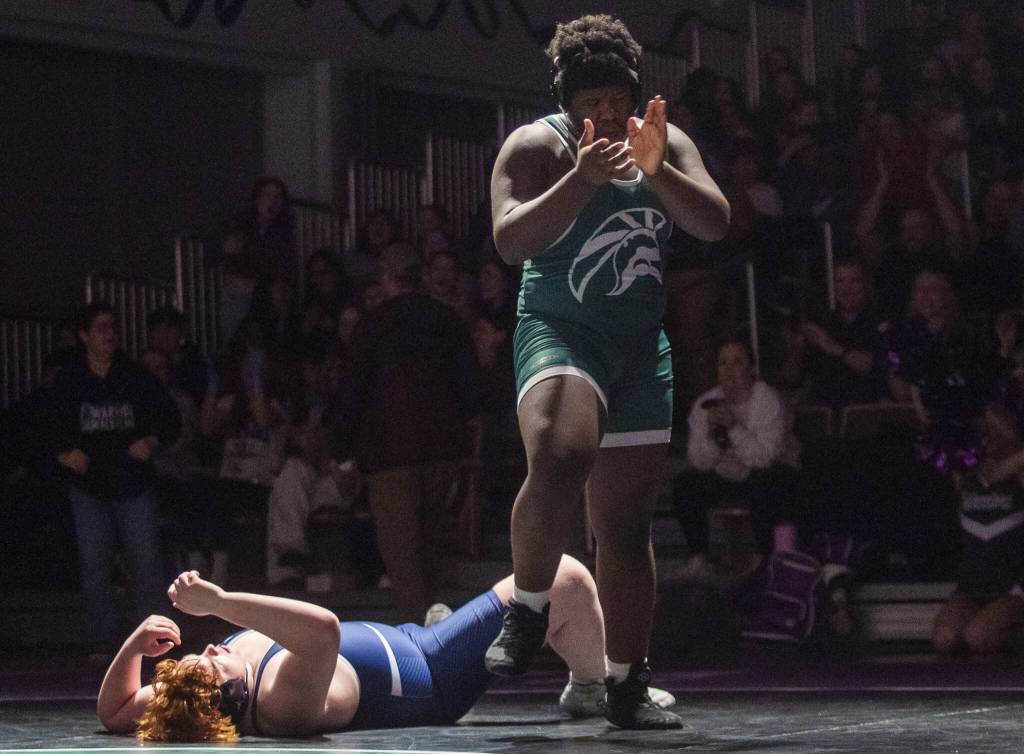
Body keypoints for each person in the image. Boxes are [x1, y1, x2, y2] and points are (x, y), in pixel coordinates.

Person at [486, 13, 729, 729]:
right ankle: (530, 608)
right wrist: (584, 181)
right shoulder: (536, 145)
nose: (603, 113)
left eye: (612, 99)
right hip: (562, 330)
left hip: (635, 347)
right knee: (562, 452)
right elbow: (508, 241)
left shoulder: (664, 139)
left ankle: (625, 683)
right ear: (566, 102)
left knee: (623, 528)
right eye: (588, 102)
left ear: (631, 90)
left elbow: (714, 222)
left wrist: (657, 173)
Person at [96, 556, 675, 740]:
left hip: (404, 640)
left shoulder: (187, 701)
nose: (213, 651)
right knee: (563, 576)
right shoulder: (278, 704)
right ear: (228, 697)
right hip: (429, 669)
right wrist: (219, 601)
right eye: (212, 661)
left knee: (518, 602)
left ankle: (449, 618)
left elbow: (116, 713)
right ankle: (592, 684)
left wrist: (132, 647)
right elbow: (322, 629)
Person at [329, 242, 482, 622]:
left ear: (386, 278)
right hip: (443, 452)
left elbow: (353, 391)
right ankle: (444, 634)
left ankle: (420, 642)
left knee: (403, 558)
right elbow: (471, 390)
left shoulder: (373, 325)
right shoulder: (446, 321)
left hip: (390, 456)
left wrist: (341, 449)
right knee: (433, 552)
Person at [41, 302, 181, 659]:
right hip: (90, 489)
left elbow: (169, 418)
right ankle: (102, 641)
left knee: (147, 563)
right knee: (95, 564)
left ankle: (157, 641)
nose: (108, 334)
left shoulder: (133, 375)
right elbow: (43, 426)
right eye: (100, 328)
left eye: (111, 327)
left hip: (133, 485)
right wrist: (63, 452)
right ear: (84, 335)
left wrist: (150, 441)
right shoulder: (70, 380)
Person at [673, 339, 800, 566]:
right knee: (686, 485)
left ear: (751, 368)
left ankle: (764, 558)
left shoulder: (767, 401)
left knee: (767, 483)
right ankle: (699, 558)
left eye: (737, 363)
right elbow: (698, 460)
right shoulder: (705, 404)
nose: (730, 371)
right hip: (727, 473)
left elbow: (765, 458)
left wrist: (733, 428)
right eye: (723, 363)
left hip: (769, 472)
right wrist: (713, 438)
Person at [932, 402, 1024, 654]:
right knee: (945, 638)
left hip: (1012, 584)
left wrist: (1005, 465)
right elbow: (934, 428)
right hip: (974, 582)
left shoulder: (1018, 473)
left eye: (991, 432)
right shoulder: (964, 474)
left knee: (977, 636)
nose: (986, 440)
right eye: (979, 434)